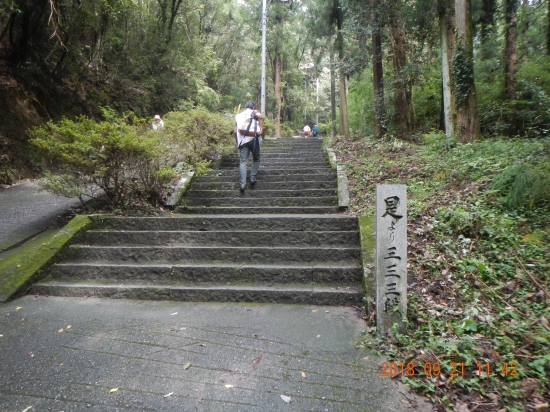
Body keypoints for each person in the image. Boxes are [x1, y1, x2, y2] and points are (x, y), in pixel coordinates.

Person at [235, 101, 263, 193]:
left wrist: (237, 143)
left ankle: (242, 184)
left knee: (243, 162)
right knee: (256, 159)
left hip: (243, 142)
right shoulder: (254, 112)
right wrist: (261, 130)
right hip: (254, 139)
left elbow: (236, 131)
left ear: (244, 107)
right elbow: (260, 117)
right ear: (253, 107)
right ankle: (252, 178)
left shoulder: (238, 116)